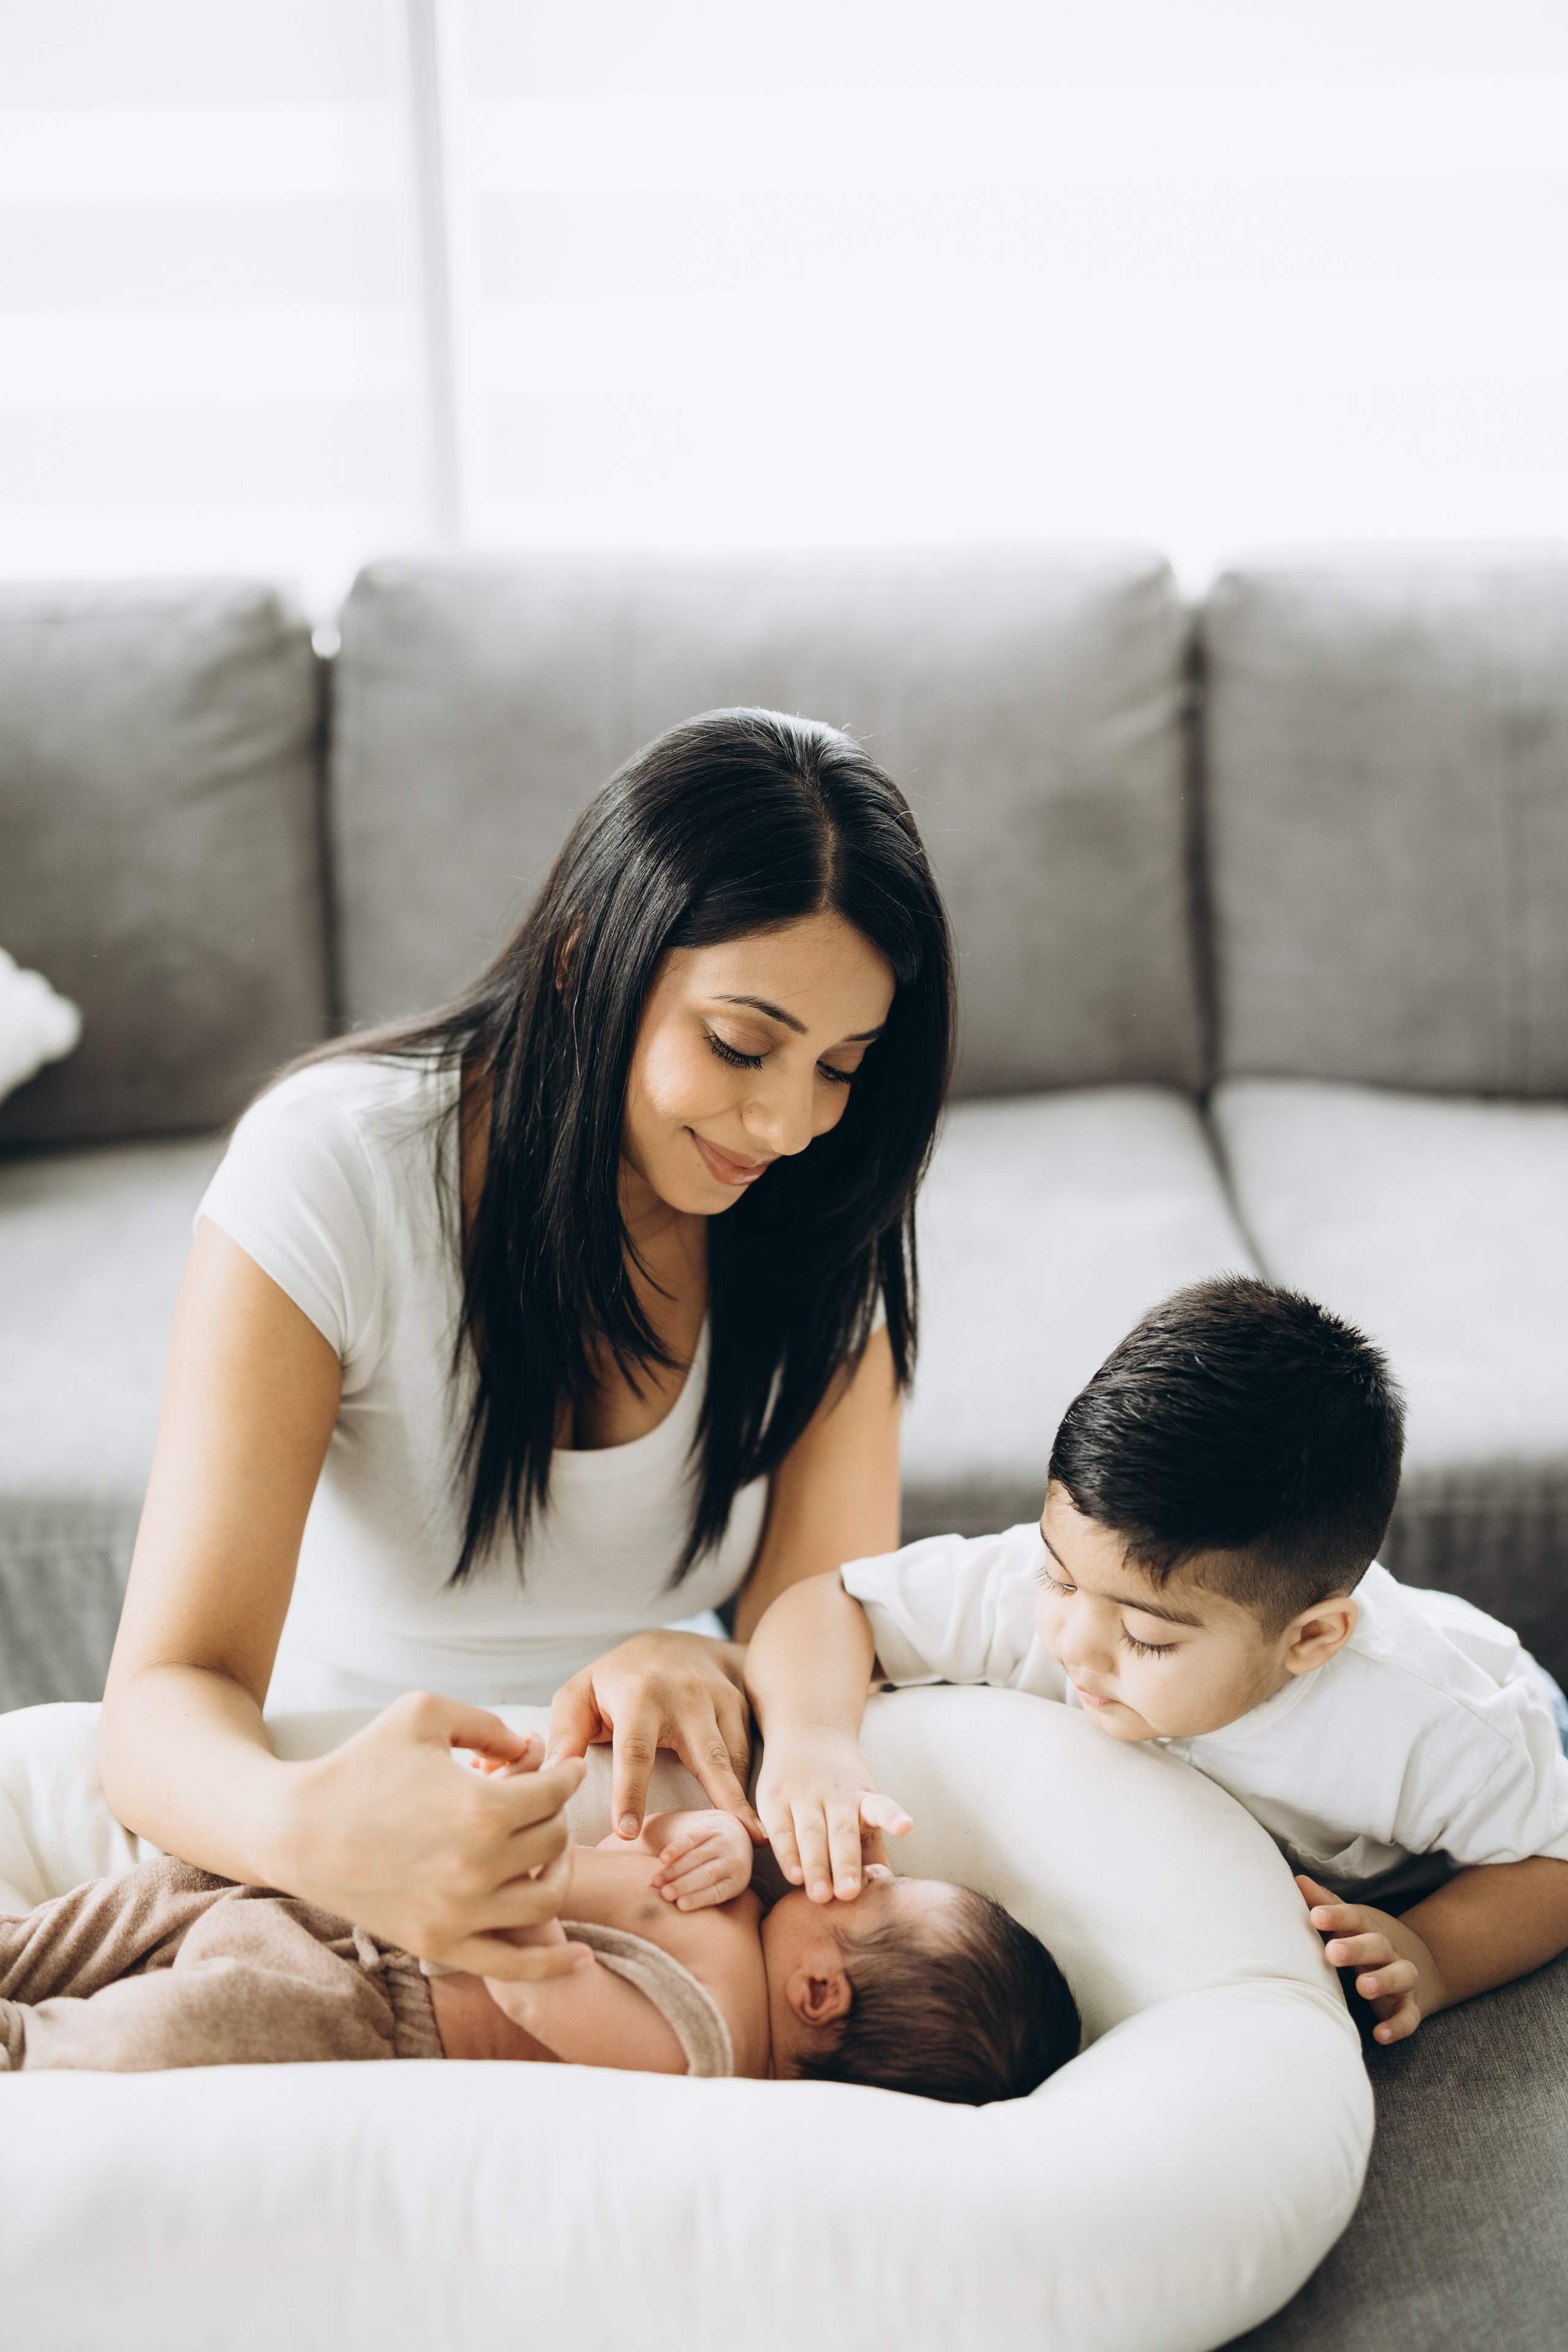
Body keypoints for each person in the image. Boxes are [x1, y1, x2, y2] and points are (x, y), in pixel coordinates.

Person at [99, 709, 954, 1983]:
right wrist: (315, 1831)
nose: (784, 1123)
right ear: (579, 960)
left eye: (841, 1067)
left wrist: (698, 1651)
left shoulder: (822, 1219)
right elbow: (161, 1701)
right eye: (739, 1043)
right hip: (350, 1799)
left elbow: (820, 1619)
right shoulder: (335, 1168)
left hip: (652, 1849)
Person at [746, 1276, 1568, 2046]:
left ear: (1309, 1642)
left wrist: (1431, 1954)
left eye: (1148, 1639)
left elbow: (1552, 1862)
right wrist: (810, 1740)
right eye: (1058, 1578)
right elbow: (829, 1605)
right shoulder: (1065, 1593)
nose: (1072, 1644)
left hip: (1528, 1726)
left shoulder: (1425, 1727)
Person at [0, 1747, 1077, 2106]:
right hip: (327, 1900)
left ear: (821, 1992)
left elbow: (527, 1979)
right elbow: (639, 1860)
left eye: (874, 1894)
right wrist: (722, 1837)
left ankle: (27, 2050)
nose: (856, 1871)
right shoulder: (746, 1904)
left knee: (148, 2040)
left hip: (354, 2005)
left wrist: (510, 1845)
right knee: (153, 1895)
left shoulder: (699, 2052)